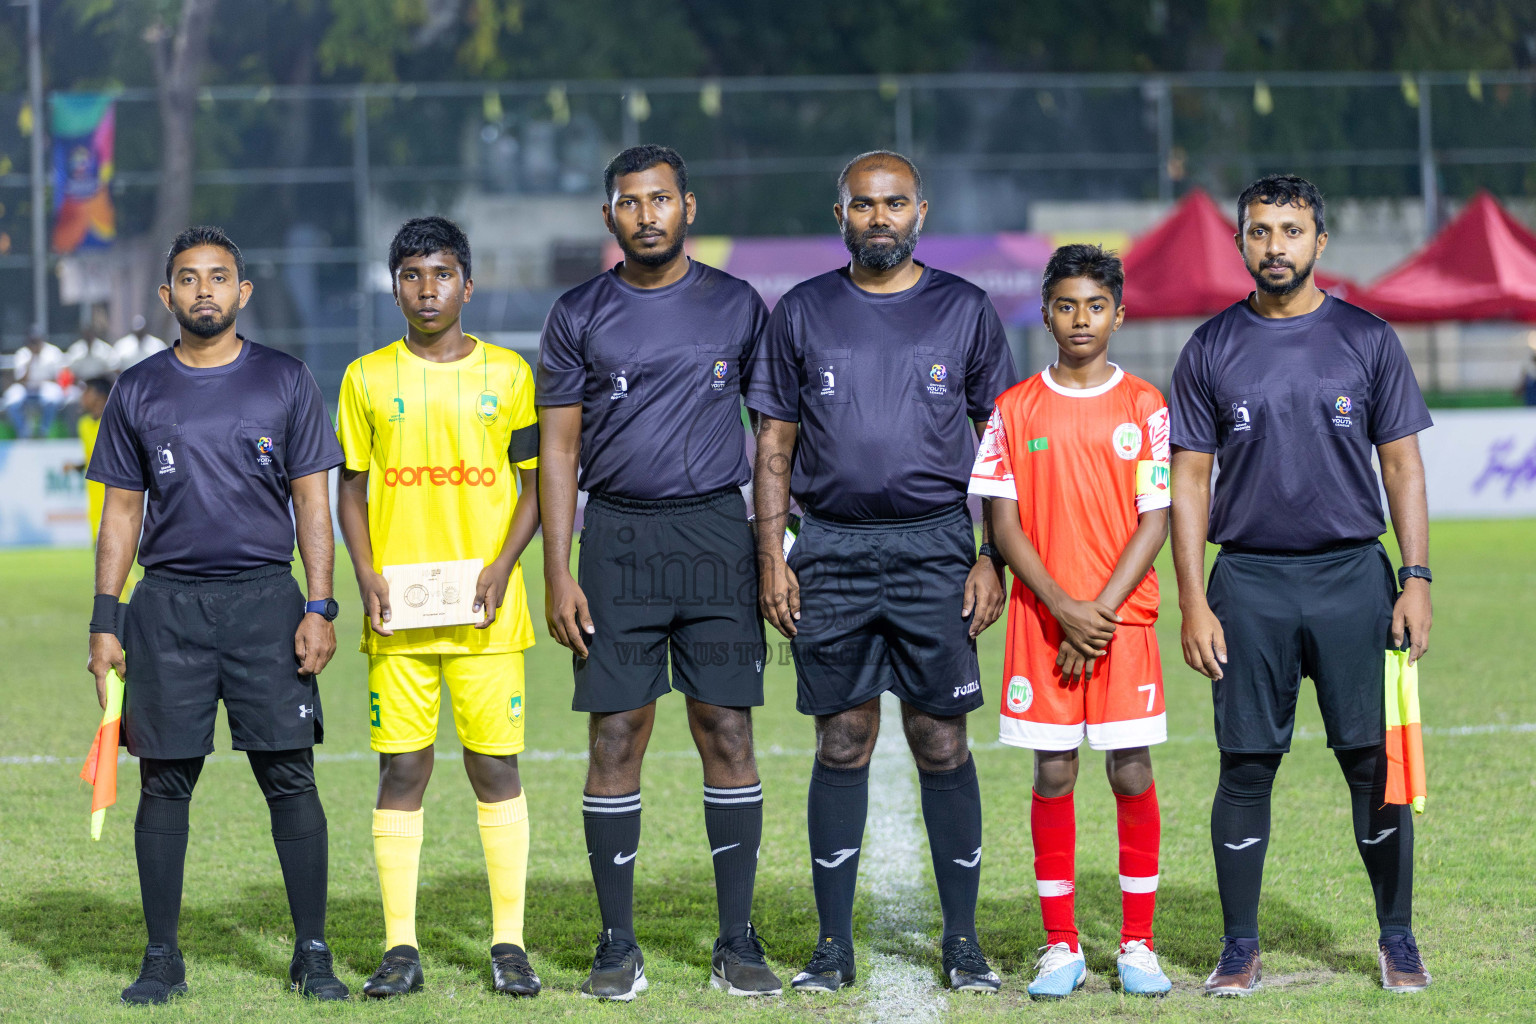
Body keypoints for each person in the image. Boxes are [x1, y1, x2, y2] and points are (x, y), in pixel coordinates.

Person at [749, 150, 1015, 994]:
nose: (879, 219)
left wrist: (991, 557)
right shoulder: (800, 311)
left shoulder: (966, 311)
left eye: (894, 204)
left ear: (921, 212)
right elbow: (774, 446)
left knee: (941, 739)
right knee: (844, 736)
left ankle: (963, 940)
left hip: (937, 548)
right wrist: (772, 556)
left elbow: (1004, 448)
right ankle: (832, 945)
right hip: (830, 548)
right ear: (841, 216)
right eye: (863, 206)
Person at [1169, 174, 1435, 996]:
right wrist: (1190, 600)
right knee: (1246, 764)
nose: (1274, 245)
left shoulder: (1368, 338)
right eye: (1259, 231)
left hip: (1354, 576)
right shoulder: (1210, 347)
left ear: (1320, 242)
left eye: (1290, 230)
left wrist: (1416, 576)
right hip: (1247, 582)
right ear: (1240, 243)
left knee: (1370, 762)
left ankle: (1397, 939)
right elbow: (1187, 482)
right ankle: (1239, 947)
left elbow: (1402, 466)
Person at [538, 144, 779, 1001]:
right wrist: (558, 571)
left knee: (727, 728)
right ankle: (616, 946)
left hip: (716, 530)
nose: (647, 215)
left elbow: (774, 438)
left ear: (688, 208)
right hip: (618, 539)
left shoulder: (738, 305)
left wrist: (771, 547)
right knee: (615, 734)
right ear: (609, 216)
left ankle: (737, 939)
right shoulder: (577, 313)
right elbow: (558, 449)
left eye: (662, 199)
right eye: (631, 202)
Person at [85, 226, 348, 1004]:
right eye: (189, 280)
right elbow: (121, 514)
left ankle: (313, 952)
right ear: (166, 297)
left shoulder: (287, 379)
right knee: (164, 784)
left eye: (220, 277)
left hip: (268, 602)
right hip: (165, 607)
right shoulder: (136, 388)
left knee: (290, 776)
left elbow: (312, 501)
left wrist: (320, 605)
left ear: (244, 292)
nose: (206, 291)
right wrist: (107, 618)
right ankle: (161, 957)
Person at [336, 216, 543, 999]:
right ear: (395, 287)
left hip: (487, 611)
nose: (429, 290)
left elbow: (536, 487)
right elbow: (350, 488)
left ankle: (509, 942)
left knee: (495, 765)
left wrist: (501, 565)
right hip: (400, 611)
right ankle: (399, 946)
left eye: (443, 274)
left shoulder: (511, 374)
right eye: (413, 276)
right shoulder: (366, 378)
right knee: (403, 767)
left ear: (468, 282)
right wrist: (365, 573)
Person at [969, 245, 1172, 998]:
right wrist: (1063, 608)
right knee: (1053, 770)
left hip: (1123, 624)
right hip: (1043, 620)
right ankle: (1060, 945)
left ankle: (1138, 944)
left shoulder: (1146, 405)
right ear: (1045, 312)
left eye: (1095, 305)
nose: (1080, 319)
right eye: (1065, 305)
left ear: (1119, 313)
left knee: (1130, 767)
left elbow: (1155, 518)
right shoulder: (1015, 407)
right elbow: (1004, 523)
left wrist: (1102, 613)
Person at [64, 376, 114, 543]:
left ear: (100, 396)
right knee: (98, 544)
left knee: (111, 544)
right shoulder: (84, 424)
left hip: (114, 490)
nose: (82, 397)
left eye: (87, 392)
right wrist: (77, 467)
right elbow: (92, 458)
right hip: (93, 491)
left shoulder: (115, 421)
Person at [4, 327, 66, 437]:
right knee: (11, 402)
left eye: (37, 340)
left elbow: (58, 378)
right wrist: (32, 358)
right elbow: (21, 379)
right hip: (27, 387)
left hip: (46, 386)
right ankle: (24, 431)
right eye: (33, 340)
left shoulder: (52, 352)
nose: (35, 343)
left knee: (51, 400)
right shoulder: (23, 353)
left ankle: (43, 430)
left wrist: (41, 381)